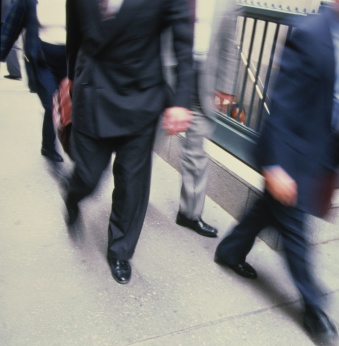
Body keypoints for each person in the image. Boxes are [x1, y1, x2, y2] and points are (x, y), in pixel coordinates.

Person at [214, 0, 339, 346]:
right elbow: (284, 103)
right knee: (295, 233)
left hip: (318, 157)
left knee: (267, 210)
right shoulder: (310, 34)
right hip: (291, 157)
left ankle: (230, 251)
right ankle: (314, 308)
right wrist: (275, 166)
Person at [64, 0, 194, 284]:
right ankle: (73, 196)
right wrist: (71, 77)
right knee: (86, 175)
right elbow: (74, 34)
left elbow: (184, 46)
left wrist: (181, 101)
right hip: (92, 91)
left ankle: (120, 250)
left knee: (131, 183)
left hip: (141, 97)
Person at [173, 0, 238, 238]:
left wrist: (226, 87)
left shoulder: (227, 3)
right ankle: (130, 201)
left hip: (203, 81)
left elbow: (230, 46)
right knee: (144, 142)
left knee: (196, 151)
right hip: (169, 73)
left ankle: (189, 213)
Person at [0, 0, 67, 162]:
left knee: (72, 104)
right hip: (41, 60)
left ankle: (74, 146)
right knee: (51, 103)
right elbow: (12, 26)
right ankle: (49, 147)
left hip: (71, 61)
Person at [1, 0, 22, 81]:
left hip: (6, 11)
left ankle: (15, 72)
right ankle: (15, 72)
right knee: (12, 42)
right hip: (12, 11)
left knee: (10, 42)